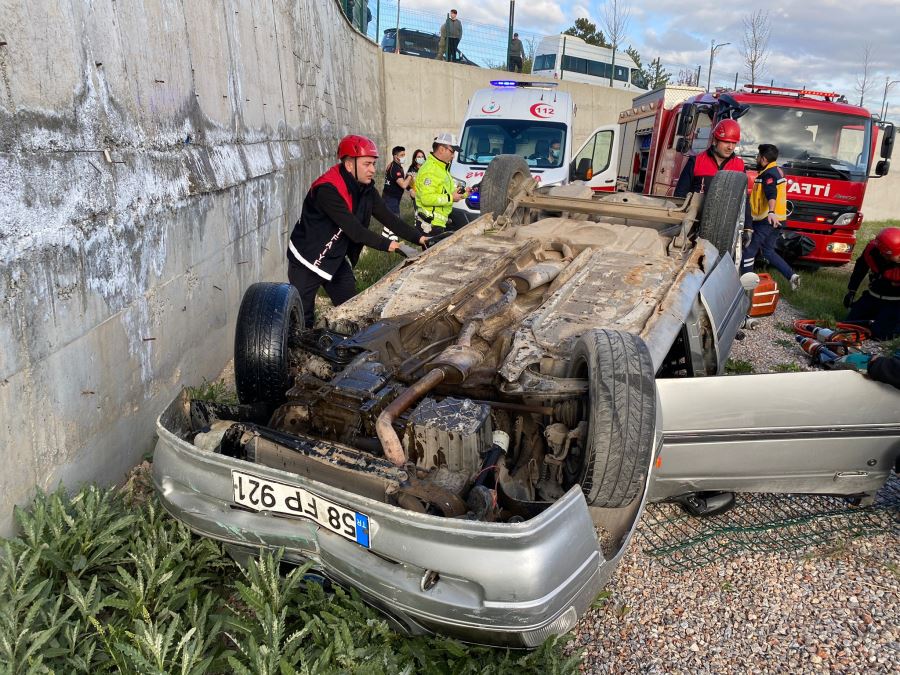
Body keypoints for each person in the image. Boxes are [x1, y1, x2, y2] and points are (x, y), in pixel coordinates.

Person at [287, 134, 428, 328]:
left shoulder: (366, 188)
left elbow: (389, 218)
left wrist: (420, 238)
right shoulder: (327, 190)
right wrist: (393, 246)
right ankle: (298, 356)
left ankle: (348, 349)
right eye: (367, 164)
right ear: (349, 165)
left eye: (373, 164)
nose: (372, 170)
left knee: (352, 311)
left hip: (335, 257)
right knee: (302, 321)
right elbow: (356, 231)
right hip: (307, 258)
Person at [740, 144, 800, 290]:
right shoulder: (777, 170)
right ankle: (792, 276)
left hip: (767, 220)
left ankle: (745, 285)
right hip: (778, 220)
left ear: (764, 159)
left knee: (749, 250)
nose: (756, 158)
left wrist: (771, 212)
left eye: (758, 155)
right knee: (768, 251)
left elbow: (770, 193)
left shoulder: (769, 174)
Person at [843, 226, 900, 339]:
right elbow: (860, 268)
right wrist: (852, 290)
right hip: (873, 296)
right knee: (848, 326)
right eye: (898, 256)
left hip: (896, 302)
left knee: (879, 334)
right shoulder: (872, 252)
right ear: (884, 253)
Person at [674, 118, 745, 197]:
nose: (730, 147)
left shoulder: (740, 166)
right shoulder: (696, 161)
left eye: (734, 143)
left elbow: (743, 199)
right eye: (726, 142)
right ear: (715, 140)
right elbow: (679, 195)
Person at [414, 132, 469, 233]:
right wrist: (451, 197)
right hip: (429, 225)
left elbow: (450, 191)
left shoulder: (442, 168)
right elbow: (426, 198)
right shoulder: (430, 169)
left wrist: (467, 192)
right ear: (441, 149)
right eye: (452, 151)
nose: (453, 156)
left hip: (437, 224)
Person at [381, 146, 412, 238]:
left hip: (390, 197)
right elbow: (403, 184)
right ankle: (392, 240)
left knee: (391, 219)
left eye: (404, 155)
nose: (404, 157)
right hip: (391, 198)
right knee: (394, 219)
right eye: (401, 155)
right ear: (395, 156)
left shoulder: (393, 165)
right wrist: (410, 175)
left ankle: (387, 238)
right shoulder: (395, 168)